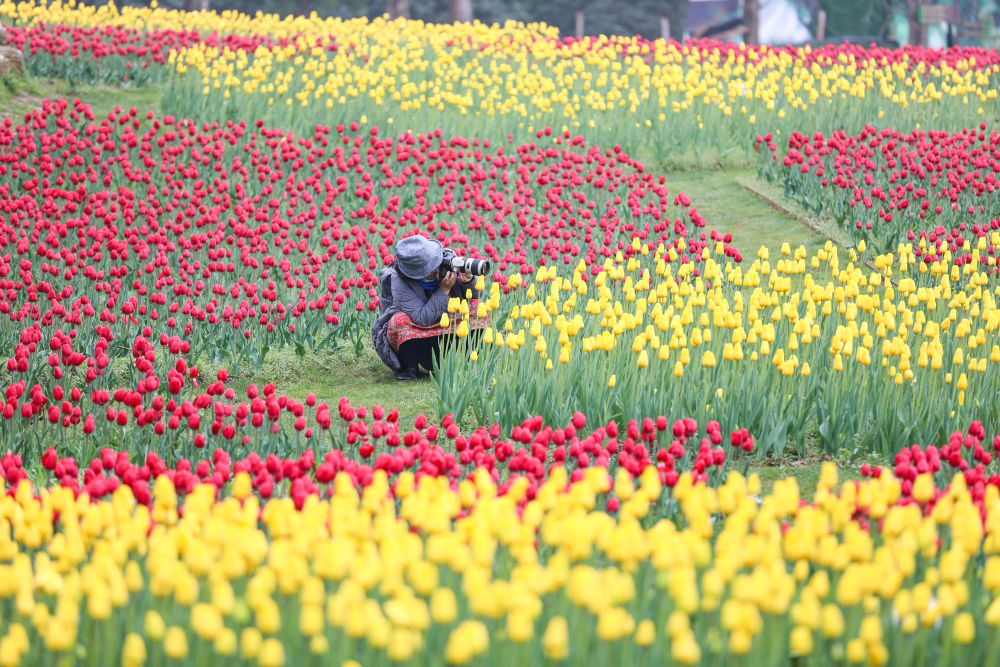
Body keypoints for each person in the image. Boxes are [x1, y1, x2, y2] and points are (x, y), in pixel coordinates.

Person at [372, 235, 480, 380]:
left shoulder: (449, 260)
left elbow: (472, 297)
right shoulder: (398, 281)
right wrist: (443, 290)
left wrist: (470, 281)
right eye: (430, 269)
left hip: (449, 327)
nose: (436, 269)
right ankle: (409, 366)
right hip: (418, 337)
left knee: (477, 308)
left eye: (435, 264)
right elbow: (421, 319)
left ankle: (469, 358)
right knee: (398, 321)